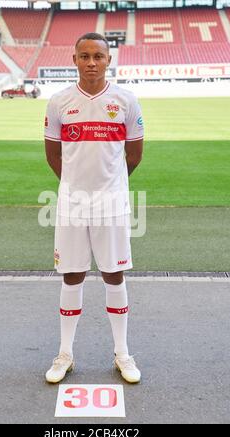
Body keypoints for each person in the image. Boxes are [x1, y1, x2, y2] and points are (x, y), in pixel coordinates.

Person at [44, 33, 144, 384]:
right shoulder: (59, 102)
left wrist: (109, 185)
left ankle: (122, 353)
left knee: (114, 275)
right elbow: (53, 154)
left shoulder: (126, 101)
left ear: (108, 60)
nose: (91, 62)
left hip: (112, 205)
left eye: (97, 56)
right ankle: (65, 354)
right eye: (84, 56)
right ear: (74, 59)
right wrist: (75, 186)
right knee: (71, 275)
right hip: (72, 205)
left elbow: (134, 154)